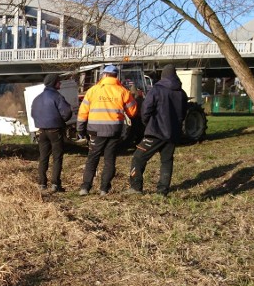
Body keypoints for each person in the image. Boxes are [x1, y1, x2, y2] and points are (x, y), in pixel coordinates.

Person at [128, 64, 189, 196]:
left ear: (163, 75)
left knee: (138, 157)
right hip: (172, 133)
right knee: (166, 161)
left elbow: (146, 109)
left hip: (155, 132)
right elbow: (184, 113)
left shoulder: (156, 90)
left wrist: (147, 124)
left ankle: (136, 187)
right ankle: (162, 191)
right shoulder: (182, 93)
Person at [76, 64, 138, 196]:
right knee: (109, 160)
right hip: (114, 131)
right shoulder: (123, 91)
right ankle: (104, 189)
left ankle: (85, 188)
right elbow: (132, 112)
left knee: (92, 158)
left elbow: (82, 112)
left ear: (104, 75)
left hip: (95, 131)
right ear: (116, 76)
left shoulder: (93, 90)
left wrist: (80, 130)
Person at [31, 73, 73, 193]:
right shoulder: (57, 97)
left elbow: (33, 114)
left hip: (41, 131)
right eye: (59, 82)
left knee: (43, 157)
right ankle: (55, 184)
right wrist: (61, 120)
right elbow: (67, 112)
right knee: (57, 157)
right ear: (54, 83)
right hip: (55, 130)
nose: (60, 83)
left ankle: (42, 184)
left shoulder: (37, 98)